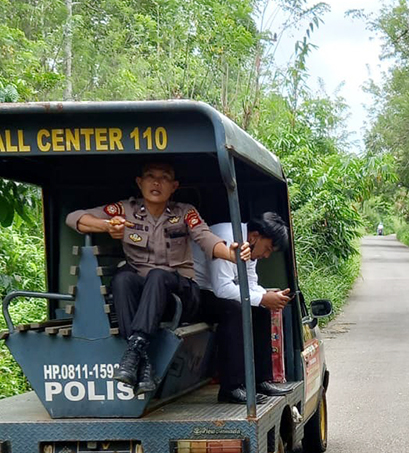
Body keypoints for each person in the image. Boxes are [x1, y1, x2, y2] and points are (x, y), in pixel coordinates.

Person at [66, 161, 250, 393]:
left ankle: (134, 355)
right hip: (147, 304)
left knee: (159, 276)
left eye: (164, 178)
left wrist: (230, 253)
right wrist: (106, 226)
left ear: (174, 186)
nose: (156, 182)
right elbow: (75, 218)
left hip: (180, 297)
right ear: (139, 183)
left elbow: (206, 238)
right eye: (150, 176)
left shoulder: (185, 212)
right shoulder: (126, 210)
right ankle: (141, 364)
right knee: (123, 280)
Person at [197, 214, 294, 404]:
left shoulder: (250, 244)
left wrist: (270, 296)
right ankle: (231, 388)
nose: (266, 256)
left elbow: (250, 282)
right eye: (267, 249)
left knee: (261, 310)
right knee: (234, 311)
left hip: (215, 292)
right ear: (255, 236)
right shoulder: (228, 238)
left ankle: (260, 381)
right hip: (196, 291)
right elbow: (222, 288)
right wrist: (263, 298)